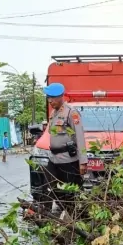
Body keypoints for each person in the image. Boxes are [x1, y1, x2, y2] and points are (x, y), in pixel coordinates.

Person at [44, 82, 87, 219]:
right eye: (48, 97)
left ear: (61, 97)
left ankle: (75, 219)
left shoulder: (71, 113)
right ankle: (49, 214)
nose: (50, 101)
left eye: (52, 98)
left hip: (68, 161)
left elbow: (80, 137)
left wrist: (83, 162)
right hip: (54, 159)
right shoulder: (53, 113)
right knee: (51, 187)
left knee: (70, 193)